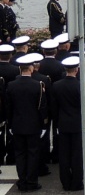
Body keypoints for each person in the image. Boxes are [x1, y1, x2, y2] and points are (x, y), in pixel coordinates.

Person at [8, 54, 48, 192]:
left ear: (20, 68)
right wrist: (43, 125)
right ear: (31, 68)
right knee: (32, 154)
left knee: (20, 154)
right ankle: (31, 181)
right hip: (33, 125)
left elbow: (9, 107)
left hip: (17, 125)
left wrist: (10, 123)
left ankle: (22, 180)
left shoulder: (11, 85)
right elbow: (41, 107)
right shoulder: (38, 85)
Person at [50, 56, 85, 191]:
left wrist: (56, 123)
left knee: (64, 155)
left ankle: (65, 182)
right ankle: (77, 182)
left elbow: (54, 107)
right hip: (78, 124)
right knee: (77, 155)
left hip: (63, 123)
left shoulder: (56, 85)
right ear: (77, 70)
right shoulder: (82, 86)